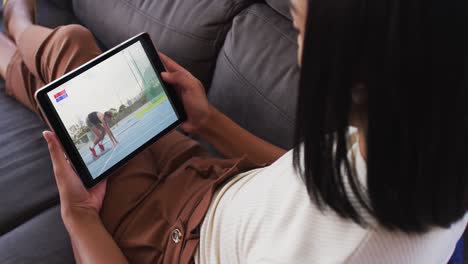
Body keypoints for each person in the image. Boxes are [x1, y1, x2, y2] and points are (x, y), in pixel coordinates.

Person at [0, 0, 466, 263]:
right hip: (212, 180)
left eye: (299, 30)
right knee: (80, 74)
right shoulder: (424, 141)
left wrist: (79, 216)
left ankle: (15, 28)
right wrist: (209, 122)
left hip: (169, 239)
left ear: (355, 74)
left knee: (71, 51)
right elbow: (304, 181)